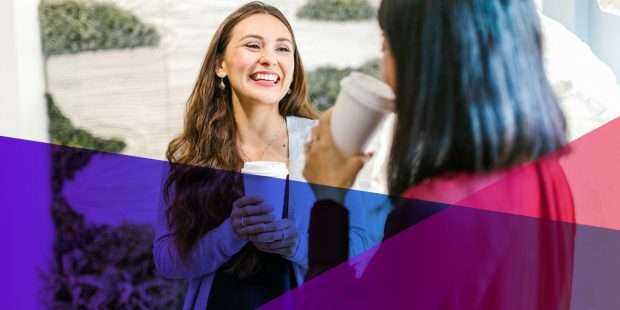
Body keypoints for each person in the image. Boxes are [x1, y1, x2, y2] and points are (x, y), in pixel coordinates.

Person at [302, 0, 576, 308]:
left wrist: (329, 200)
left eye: (386, 45)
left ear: (426, 61)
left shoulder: (436, 212)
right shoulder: (546, 174)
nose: (386, 69)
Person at [152, 2, 335, 309]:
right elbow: (167, 261)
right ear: (220, 64)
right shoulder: (191, 154)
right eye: (253, 45)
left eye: (282, 49)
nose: (268, 59)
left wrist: (297, 244)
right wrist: (230, 234)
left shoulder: (322, 146)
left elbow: (362, 248)